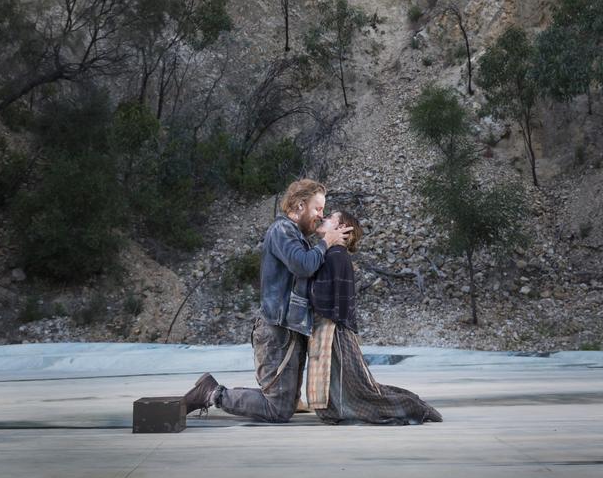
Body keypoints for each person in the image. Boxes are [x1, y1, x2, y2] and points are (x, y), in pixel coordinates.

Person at [182, 178, 351, 423]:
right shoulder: (281, 230)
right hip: (276, 331)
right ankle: (211, 393)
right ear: (300, 206)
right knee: (277, 410)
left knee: (286, 405)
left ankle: (227, 393)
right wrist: (326, 242)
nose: (320, 215)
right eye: (317, 208)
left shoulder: (295, 236)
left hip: (287, 331)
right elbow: (302, 266)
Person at [307, 209, 443, 425]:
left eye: (331, 217)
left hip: (334, 330)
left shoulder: (334, 255)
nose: (325, 218)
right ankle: (411, 406)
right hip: (338, 328)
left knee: (359, 388)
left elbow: (322, 297)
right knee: (357, 383)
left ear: (342, 228)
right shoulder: (337, 255)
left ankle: (411, 407)